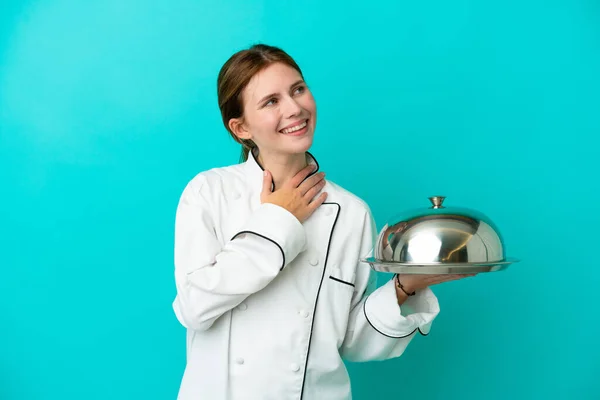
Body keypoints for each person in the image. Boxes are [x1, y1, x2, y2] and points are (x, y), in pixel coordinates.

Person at [172, 43, 473, 400]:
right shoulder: (210, 192)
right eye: (271, 101)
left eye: (298, 89)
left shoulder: (351, 211)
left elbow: (353, 342)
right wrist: (279, 219)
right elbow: (194, 308)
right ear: (240, 128)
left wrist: (406, 286)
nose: (295, 108)